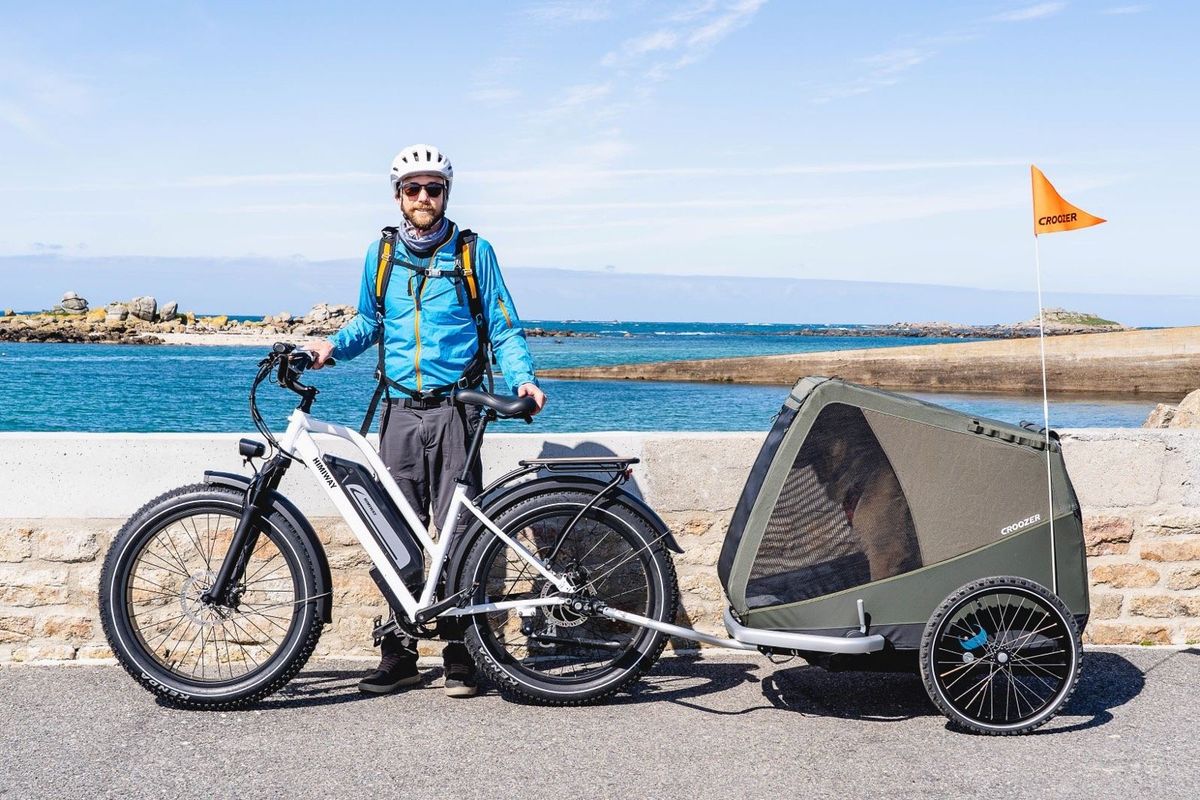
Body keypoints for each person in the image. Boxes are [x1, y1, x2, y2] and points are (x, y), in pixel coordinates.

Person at [310, 144, 546, 697]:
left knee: (462, 533)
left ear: (446, 195)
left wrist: (523, 378)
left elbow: (504, 325)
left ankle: (463, 651)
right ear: (398, 195)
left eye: (433, 189)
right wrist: (329, 347)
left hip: (458, 409)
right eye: (412, 189)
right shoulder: (382, 254)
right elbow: (369, 321)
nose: (423, 198)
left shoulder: (473, 252)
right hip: (396, 409)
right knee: (392, 531)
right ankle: (398, 652)